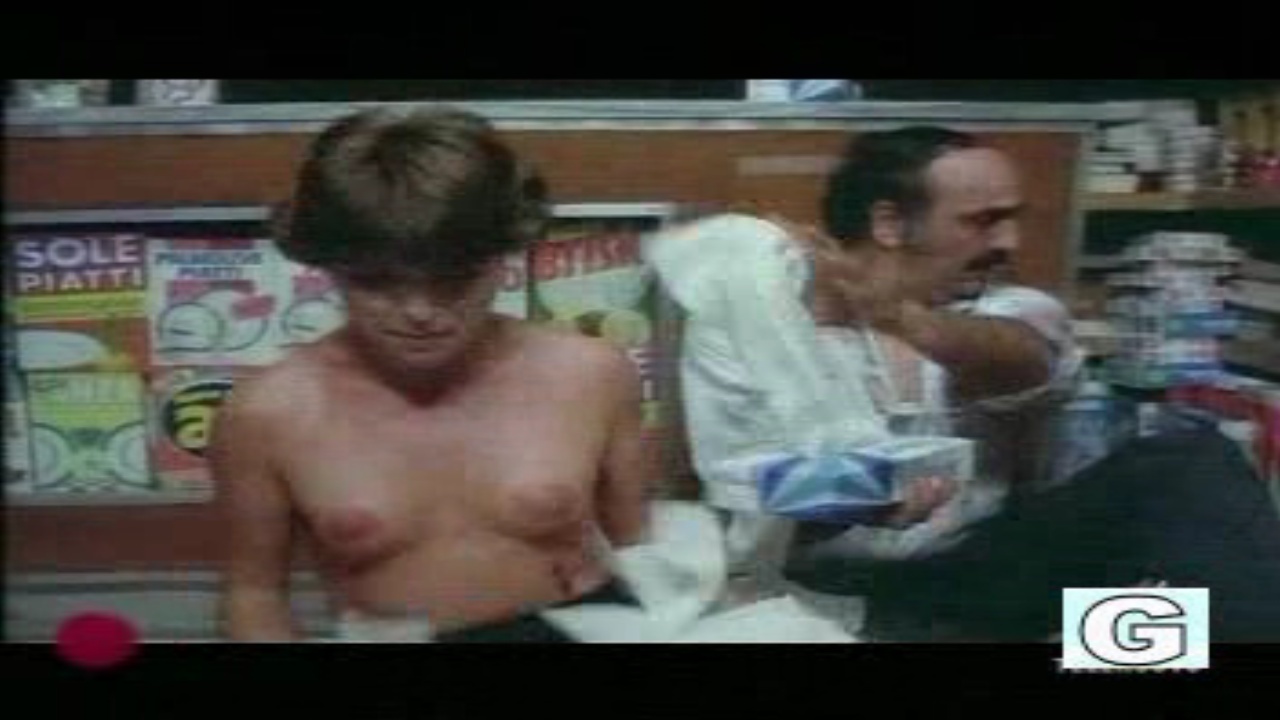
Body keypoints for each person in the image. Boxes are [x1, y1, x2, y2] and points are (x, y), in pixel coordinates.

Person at [647, 126, 1280, 641]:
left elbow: (1022, 362)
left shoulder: (1007, 310)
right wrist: (845, 506)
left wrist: (898, 316)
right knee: (1169, 636)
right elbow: (740, 495)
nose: (1010, 241)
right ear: (890, 223)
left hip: (987, 568)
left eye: (1013, 219)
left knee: (1183, 465)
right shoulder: (775, 335)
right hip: (837, 593)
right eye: (984, 221)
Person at [212, 107, 652, 643]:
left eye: (454, 280)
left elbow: (643, 556)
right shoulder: (265, 412)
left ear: (503, 258)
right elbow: (254, 595)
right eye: (376, 282)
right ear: (327, 266)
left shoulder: (592, 375)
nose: (419, 312)